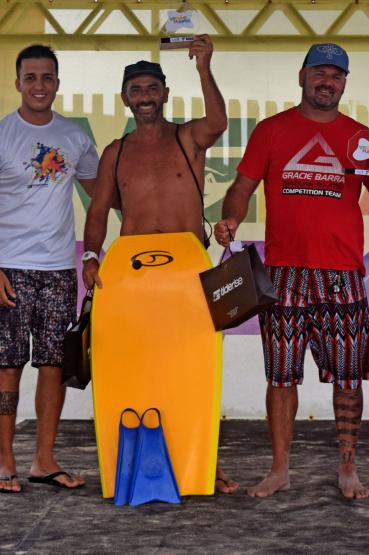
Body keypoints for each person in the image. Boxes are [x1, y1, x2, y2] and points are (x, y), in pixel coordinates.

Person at [214, 43, 369, 499]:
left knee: (348, 376)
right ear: (301, 76)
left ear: (344, 83)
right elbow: (242, 187)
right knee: (280, 377)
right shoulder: (271, 130)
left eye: (337, 76)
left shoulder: (362, 137)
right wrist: (231, 219)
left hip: (342, 272)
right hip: (282, 273)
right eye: (320, 73)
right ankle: (280, 469)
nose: (328, 81)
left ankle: (348, 468)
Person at [81, 35, 238, 493]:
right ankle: (128, 464)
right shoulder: (116, 151)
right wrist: (92, 255)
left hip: (187, 271)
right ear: (125, 98)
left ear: (165, 93)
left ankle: (205, 460)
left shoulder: (188, 137)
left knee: (193, 370)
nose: (145, 98)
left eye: (153, 89)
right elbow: (97, 212)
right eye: (137, 90)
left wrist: (204, 67)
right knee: (135, 369)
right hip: (131, 277)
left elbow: (219, 121)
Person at [0, 44, 98, 494]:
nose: (39, 85)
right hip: (7, 268)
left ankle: (44, 460)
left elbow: (102, 196)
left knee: (52, 365)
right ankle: (5, 461)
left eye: (47, 77)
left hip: (58, 268)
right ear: (18, 82)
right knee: (8, 363)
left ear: (57, 83)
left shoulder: (76, 138)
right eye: (30, 77)